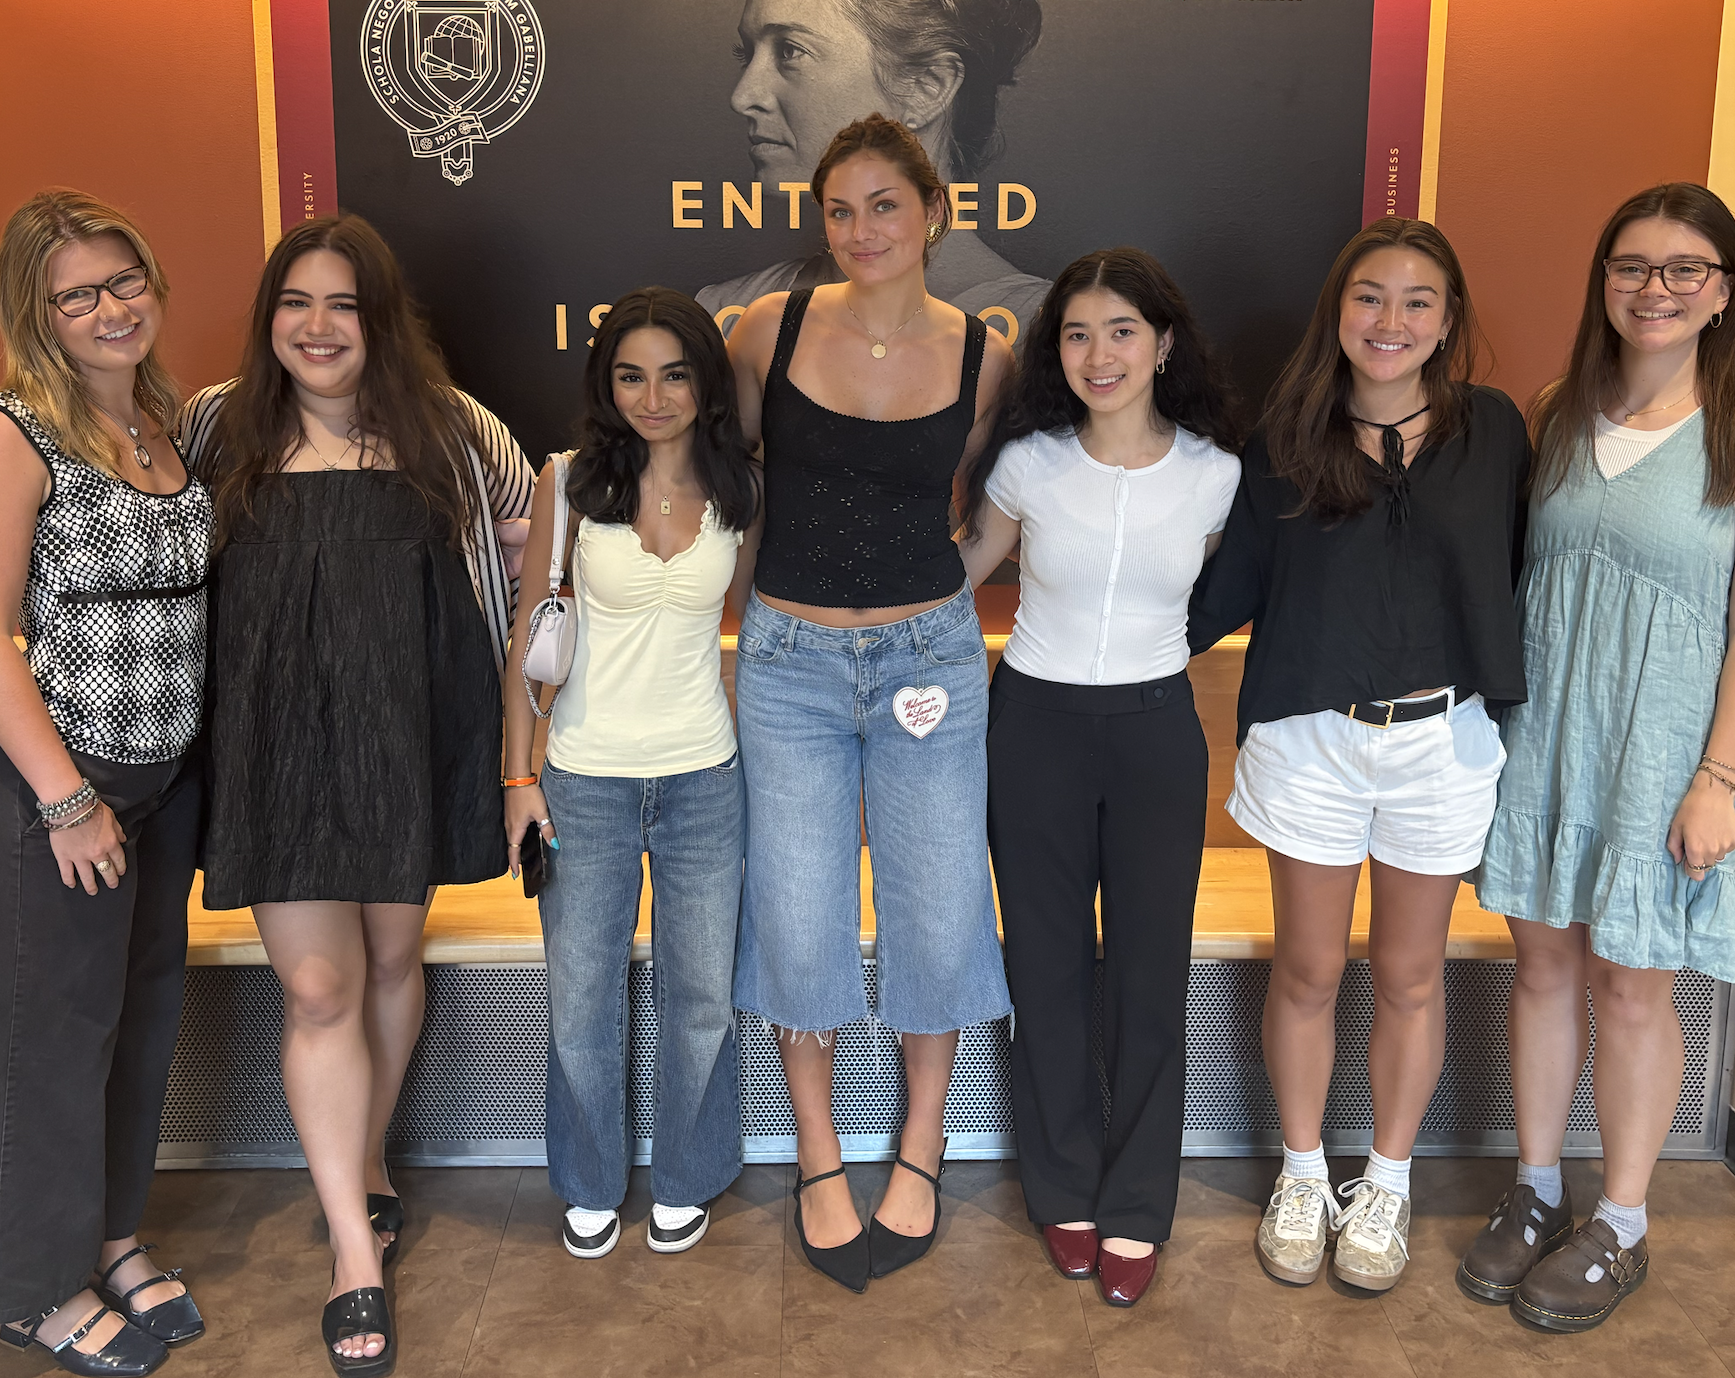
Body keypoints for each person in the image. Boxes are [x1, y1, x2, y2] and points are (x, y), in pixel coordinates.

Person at [1462, 184, 1735, 1331]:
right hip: (1549, 738)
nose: (1653, 289)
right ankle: (1533, 1189)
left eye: (1682, 269)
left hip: (1666, 754)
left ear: (1722, 291)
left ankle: (1618, 1220)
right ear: (1601, 281)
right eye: (1630, 266)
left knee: (1630, 986)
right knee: (1543, 970)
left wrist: (1716, 778)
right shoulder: (1557, 410)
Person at [182, 215, 531, 1376]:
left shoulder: (452, 426)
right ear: (267, 316)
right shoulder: (210, 425)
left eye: (344, 304)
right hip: (274, 748)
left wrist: (518, 732)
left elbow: (539, 548)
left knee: (388, 966)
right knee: (321, 985)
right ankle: (352, 1252)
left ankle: (367, 1161)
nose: (318, 327)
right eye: (295, 302)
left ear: (381, 320)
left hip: (408, 739)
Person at [1188, 216, 1528, 1296]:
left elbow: (1524, 570)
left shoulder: (1495, 433)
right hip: (1310, 740)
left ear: (1448, 319)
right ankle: (1301, 1171)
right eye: (1368, 296)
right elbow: (1224, 585)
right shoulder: (1283, 435)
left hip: (1439, 740)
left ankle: (1383, 1178)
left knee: (1410, 972)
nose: (1390, 320)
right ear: (1336, 311)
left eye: (1417, 299)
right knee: (1308, 967)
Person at [726, 112, 1015, 1293]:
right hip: (787, 659)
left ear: (934, 213)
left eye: (882, 205)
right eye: (837, 209)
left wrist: (954, 580)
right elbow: (733, 487)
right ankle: (813, 1146)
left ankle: (920, 1138)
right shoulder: (766, 328)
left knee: (936, 905)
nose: (858, 230)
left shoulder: (985, 354)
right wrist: (730, 630)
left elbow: (1000, 498)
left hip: (930, 663)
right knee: (795, 912)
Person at [0, 190, 211, 1375]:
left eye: (123, 281)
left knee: (136, 1023)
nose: (110, 308)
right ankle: (28, 1285)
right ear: (36, 314)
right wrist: (62, 795)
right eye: (78, 294)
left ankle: (108, 1237)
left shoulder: (162, 421)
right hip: (55, 789)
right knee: (38, 1036)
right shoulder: (13, 430)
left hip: (160, 780)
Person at [957, 248, 1242, 1307]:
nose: (1097, 353)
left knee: (1145, 974)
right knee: (1046, 968)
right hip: (1029, 725)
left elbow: (1221, 588)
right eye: (1075, 333)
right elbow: (961, 570)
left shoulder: (1216, 472)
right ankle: (1062, 1186)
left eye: (1120, 330)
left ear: (1162, 342)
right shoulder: (1027, 462)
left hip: (1156, 729)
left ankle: (1134, 1203)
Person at [499, 287, 764, 1260]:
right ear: (604, 384)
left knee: (700, 993)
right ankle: (587, 1179)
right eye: (629, 375)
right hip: (582, 777)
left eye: (673, 373)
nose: (652, 395)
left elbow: (769, 634)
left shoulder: (742, 487)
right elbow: (530, 641)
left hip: (705, 777)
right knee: (581, 993)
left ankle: (689, 1172)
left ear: (704, 380)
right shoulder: (566, 480)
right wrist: (516, 779)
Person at [698, 0, 1048, 339]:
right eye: (747, 55)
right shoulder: (724, 317)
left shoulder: (1055, 339)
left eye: (790, 50)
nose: (742, 96)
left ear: (927, 86)